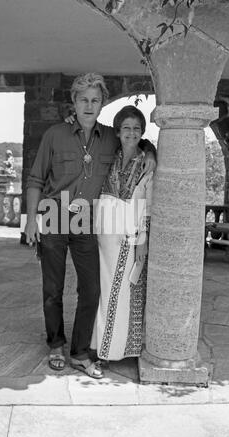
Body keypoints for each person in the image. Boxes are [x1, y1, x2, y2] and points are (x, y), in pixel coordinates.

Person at [25, 73, 156, 379]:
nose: (89, 105)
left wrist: (151, 151)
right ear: (74, 101)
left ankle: (80, 352)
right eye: (83, 99)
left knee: (92, 289)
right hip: (54, 216)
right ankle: (56, 344)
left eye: (95, 100)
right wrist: (31, 220)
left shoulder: (110, 136)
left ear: (101, 104)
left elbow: (134, 138)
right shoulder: (54, 135)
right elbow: (35, 180)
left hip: (87, 222)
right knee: (52, 289)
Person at [91, 105, 154, 361]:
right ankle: (98, 343)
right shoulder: (109, 154)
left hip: (127, 235)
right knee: (101, 292)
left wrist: (142, 241)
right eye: (126, 128)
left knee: (119, 292)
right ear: (117, 131)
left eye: (136, 128)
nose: (131, 133)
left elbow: (146, 206)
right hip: (102, 234)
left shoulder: (146, 163)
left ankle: (110, 351)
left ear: (142, 132)